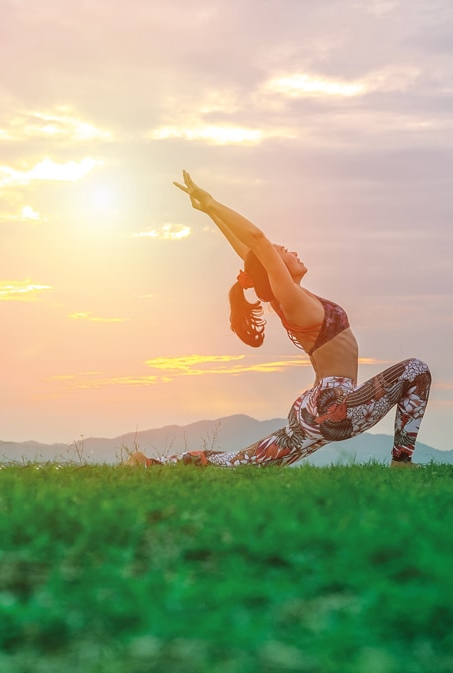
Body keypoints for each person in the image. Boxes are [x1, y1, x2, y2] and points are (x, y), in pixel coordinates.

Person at [125, 171, 431, 468]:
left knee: (242, 461)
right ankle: (402, 463)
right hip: (335, 406)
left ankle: (151, 465)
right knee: (417, 370)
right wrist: (213, 201)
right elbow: (257, 242)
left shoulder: (289, 298)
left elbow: (250, 253)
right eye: (279, 251)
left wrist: (209, 212)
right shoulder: (292, 300)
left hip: (316, 406)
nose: (288, 250)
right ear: (274, 270)